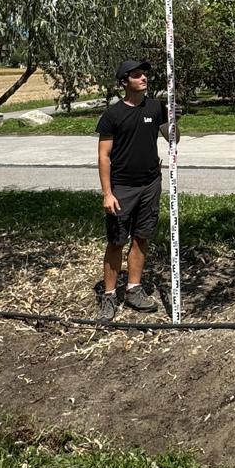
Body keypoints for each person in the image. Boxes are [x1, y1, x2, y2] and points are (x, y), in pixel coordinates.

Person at [95, 58, 176, 321]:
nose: (144, 78)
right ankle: (108, 295)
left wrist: (174, 119)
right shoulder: (113, 115)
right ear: (123, 82)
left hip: (150, 184)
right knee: (117, 241)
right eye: (137, 75)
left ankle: (133, 289)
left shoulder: (155, 106)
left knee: (142, 237)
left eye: (144, 74)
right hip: (122, 187)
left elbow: (172, 138)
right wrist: (107, 193)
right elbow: (104, 156)